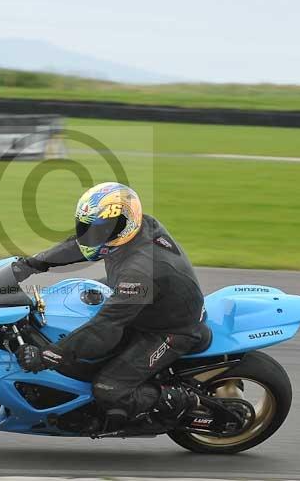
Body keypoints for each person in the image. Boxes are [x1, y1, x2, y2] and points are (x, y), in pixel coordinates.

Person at [12, 182, 206, 428]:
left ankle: (184, 401)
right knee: (75, 296)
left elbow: (106, 326)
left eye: (101, 228)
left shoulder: (139, 270)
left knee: (109, 388)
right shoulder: (130, 230)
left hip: (168, 330)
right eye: (89, 227)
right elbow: (80, 245)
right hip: (146, 304)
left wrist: (49, 356)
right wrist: (32, 264)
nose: (94, 233)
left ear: (124, 223)